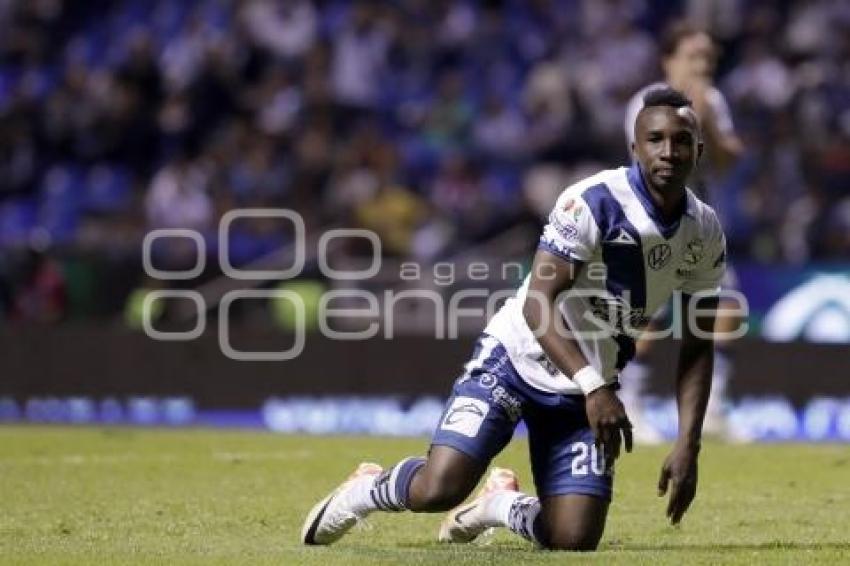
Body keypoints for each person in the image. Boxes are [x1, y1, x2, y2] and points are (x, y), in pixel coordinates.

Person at [301, 87, 727, 551]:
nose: (669, 151)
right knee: (439, 488)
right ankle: (362, 491)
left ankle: (499, 506)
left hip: (584, 393)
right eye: (656, 139)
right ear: (635, 147)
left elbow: (699, 341)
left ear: (698, 149)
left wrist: (689, 443)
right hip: (517, 360)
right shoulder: (590, 202)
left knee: (573, 539)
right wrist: (596, 387)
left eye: (681, 140)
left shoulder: (704, 232)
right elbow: (537, 302)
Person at [621, 21, 744, 443]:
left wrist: (705, 120)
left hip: (702, 222)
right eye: (693, 56)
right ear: (669, 60)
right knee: (647, 313)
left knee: (725, 306)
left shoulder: (713, 101)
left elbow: (728, 160)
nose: (702, 65)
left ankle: (712, 407)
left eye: (708, 58)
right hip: (653, 220)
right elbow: (653, 167)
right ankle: (630, 402)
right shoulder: (648, 101)